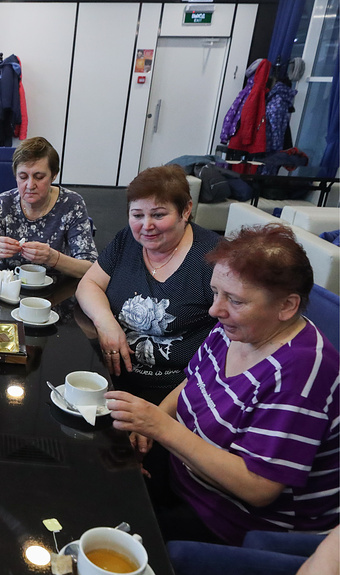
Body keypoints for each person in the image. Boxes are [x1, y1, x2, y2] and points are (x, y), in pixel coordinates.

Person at [106, 224, 339, 546]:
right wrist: (148, 431)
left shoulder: (301, 374)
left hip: (234, 523)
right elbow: (193, 382)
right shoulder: (237, 329)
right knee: (102, 468)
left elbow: (257, 488)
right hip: (187, 476)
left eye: (236, 300)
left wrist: (161, 428)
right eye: (216, 292)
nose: (216, 310)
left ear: (287, 306)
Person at [76, 164, 220, 394]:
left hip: (177, 392)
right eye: (137, 215)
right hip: (113, 379)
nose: (146, 226)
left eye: (158, 214)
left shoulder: (214, 259)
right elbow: (89, 285)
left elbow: (232, 344)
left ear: (185, 211)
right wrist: (107, 324)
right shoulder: (128, 240)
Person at [0, 136, 98, 278]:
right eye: (22, 177)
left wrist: (53, 258)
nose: (30, 185)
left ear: (53, 175)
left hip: (56, 289)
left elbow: (90, 269)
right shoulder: (3, 204)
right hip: (7, 289)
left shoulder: (71, 204)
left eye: (39, 177)